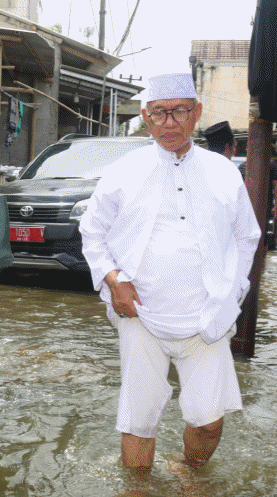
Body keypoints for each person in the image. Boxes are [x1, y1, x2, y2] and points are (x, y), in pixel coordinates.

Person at [79, 72, 260, 474]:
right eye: (159, 113)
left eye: (179, 111)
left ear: (196, 113)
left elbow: (247, 237)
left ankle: (190, 475)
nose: (170, 123)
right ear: (146, 117)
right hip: (140, 312)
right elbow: (92, 231)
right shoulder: (124, 170)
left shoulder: (223, 172)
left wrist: (232, 294)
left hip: (207, 314)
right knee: (139, 418)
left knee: (209, 420)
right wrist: (112, 280)